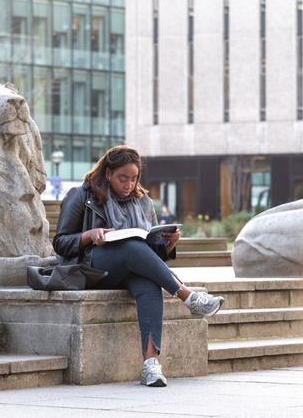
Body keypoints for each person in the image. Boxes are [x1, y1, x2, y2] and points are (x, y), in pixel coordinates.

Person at [53, 145, 224, 387]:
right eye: (123, 178)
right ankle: (188, 296)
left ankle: (150, 364)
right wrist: (90, 235)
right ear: (108, 173)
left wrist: (167, 245)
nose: (129, 185)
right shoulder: (82, 195)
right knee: (131, 245)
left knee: (149, 282)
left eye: (134, 179)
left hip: (130, 266)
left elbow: (150, 255)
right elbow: (60, 243)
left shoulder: (142, 202)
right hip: (93, 267)